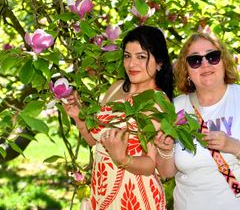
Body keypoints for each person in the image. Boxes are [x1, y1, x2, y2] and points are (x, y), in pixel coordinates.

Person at [155, 31, 240, 210]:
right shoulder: (176, 107)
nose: (205, 64)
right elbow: (166, 172)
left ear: (224, 61)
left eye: (212, 56)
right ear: (187, 70)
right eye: (195, 60)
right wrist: (165, 150)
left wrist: (232, 145)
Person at [64, 25, 174, 209]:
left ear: (160, 62)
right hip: (102, 192)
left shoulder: (158, 103)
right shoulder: (116, 88)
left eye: (141, 57)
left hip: (135, 197)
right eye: (127, 56)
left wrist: (123, 159)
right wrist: (79, 118)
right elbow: (96, 141)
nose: (132, 64)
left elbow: (150, 164)